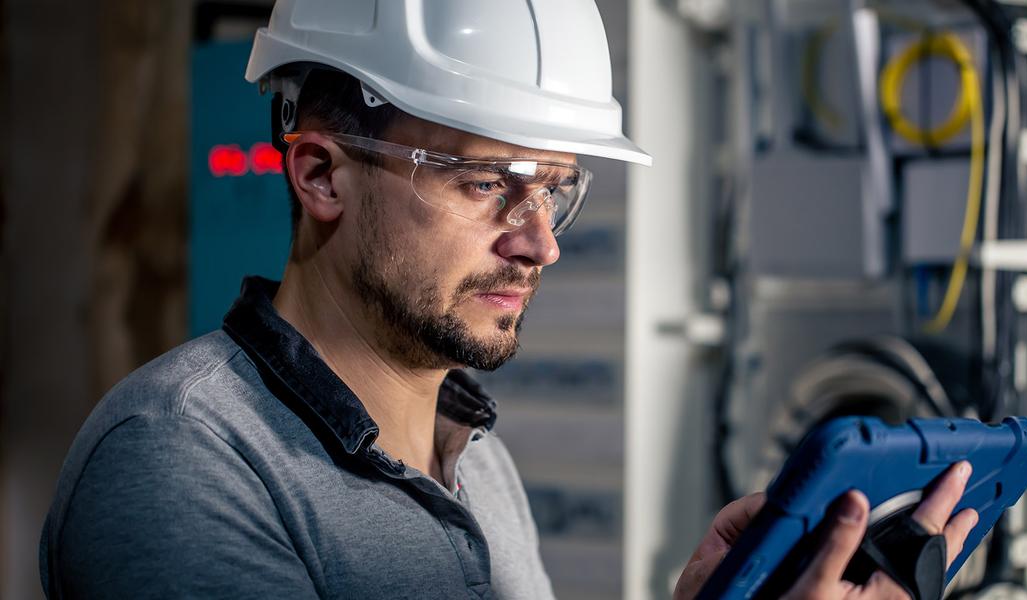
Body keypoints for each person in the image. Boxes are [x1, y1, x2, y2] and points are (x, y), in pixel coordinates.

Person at [39, 1, 977, 598]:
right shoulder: (181, 462)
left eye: (555, 188)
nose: (542, 242)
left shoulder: (475, 459)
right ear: (322, 173)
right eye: (487, 184)